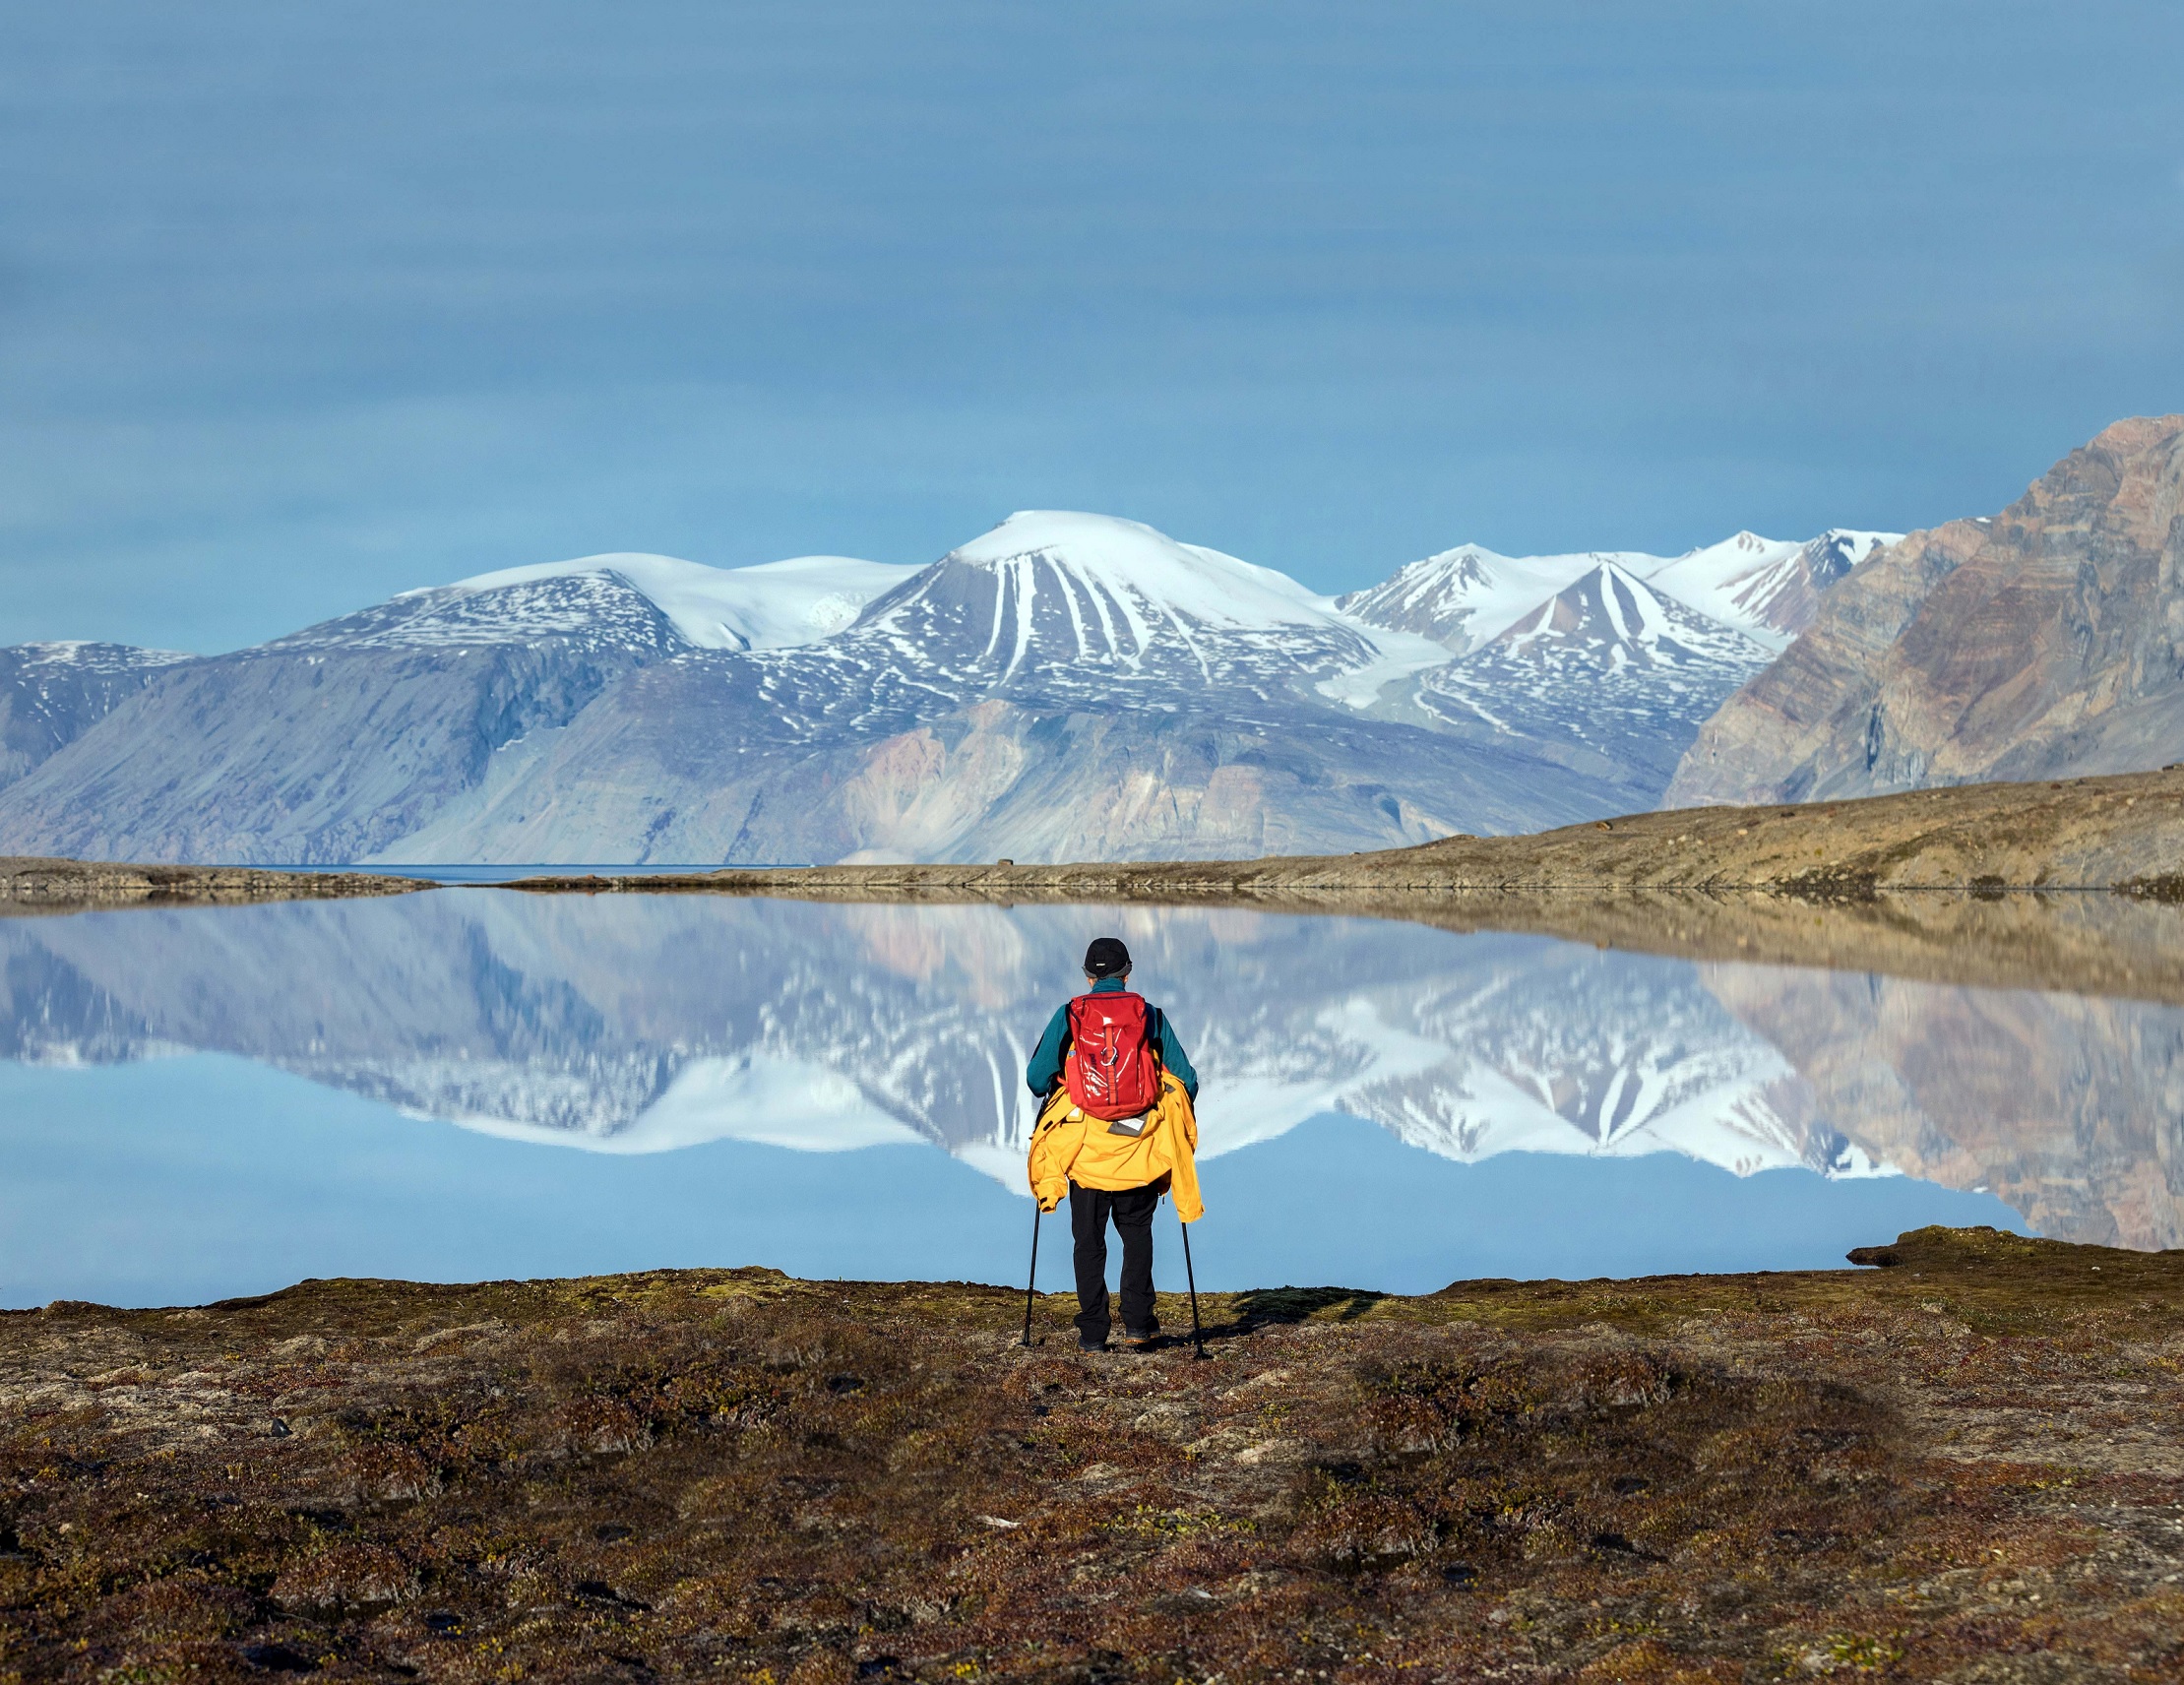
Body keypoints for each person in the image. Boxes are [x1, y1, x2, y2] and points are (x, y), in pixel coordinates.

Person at [1025, 936, 1203, 1352]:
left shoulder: (1070, 1015)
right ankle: (1139, 1326)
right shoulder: (1149, 1016)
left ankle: (1092, 1334)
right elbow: (1188, 1080)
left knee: (1088, 1242)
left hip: (1085, 1154)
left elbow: (1036, 1078)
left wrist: (1063, 1085)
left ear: (1088, 976)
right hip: (1138, 1151)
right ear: (1127, 972)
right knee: (1137, 1235)